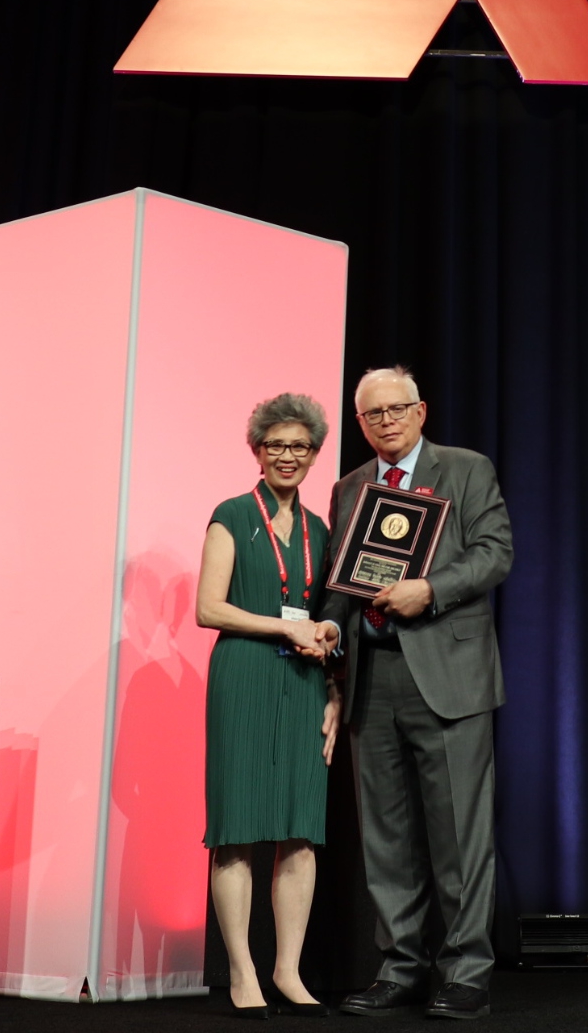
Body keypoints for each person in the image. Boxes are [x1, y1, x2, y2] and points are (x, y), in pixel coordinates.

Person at [317, 367, 512, 1022]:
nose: (387, 421)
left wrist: (429, 590)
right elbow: (341, 588)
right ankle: (399, 967)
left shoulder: (465, 469)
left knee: (460, 837)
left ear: (422, 411)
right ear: (361, 423)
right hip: (374, 681)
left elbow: (495, 554)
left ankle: (466, 974)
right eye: (374, 415)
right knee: (386, 839)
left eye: (398, 409)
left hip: (449, 680)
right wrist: (328, 650)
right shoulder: (349, 488)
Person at [198, 392, 344, 1018]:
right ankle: (242, 971)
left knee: (299, 833)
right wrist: (285, 628)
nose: (287, 456)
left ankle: (288, 970)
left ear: (314, 455)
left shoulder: (319, 530)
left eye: (300, 447)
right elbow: (210, 607)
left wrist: (334, 674)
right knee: (237, 833)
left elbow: (329, 618)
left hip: (305, 684)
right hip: (246, 678)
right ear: (257, 451)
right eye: (275, 445)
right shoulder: (231, 514)